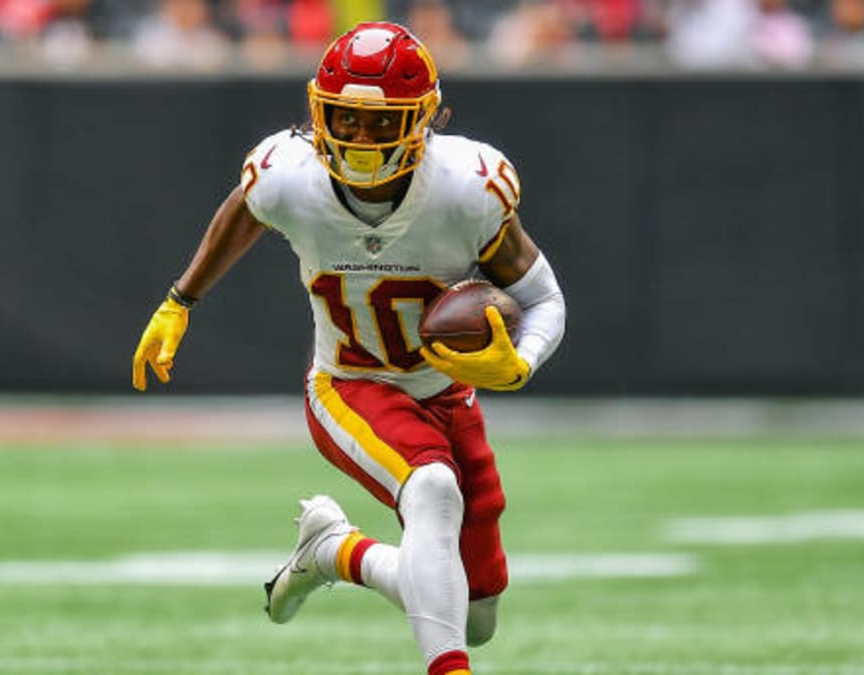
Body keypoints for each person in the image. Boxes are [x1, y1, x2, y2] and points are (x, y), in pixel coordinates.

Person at [132, 21, 565, 675]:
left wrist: (521, 360)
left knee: (475, 617)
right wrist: (180, 299)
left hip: (447, 393)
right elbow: (244, 209)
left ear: (424, 121)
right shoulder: (290, 176)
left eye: (381, 123)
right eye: (345, 119)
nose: (361, 139)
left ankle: (335, 551)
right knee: (433, 492)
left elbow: (546, 301)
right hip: (349, 384)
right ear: (317, 113)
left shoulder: (465, 189)